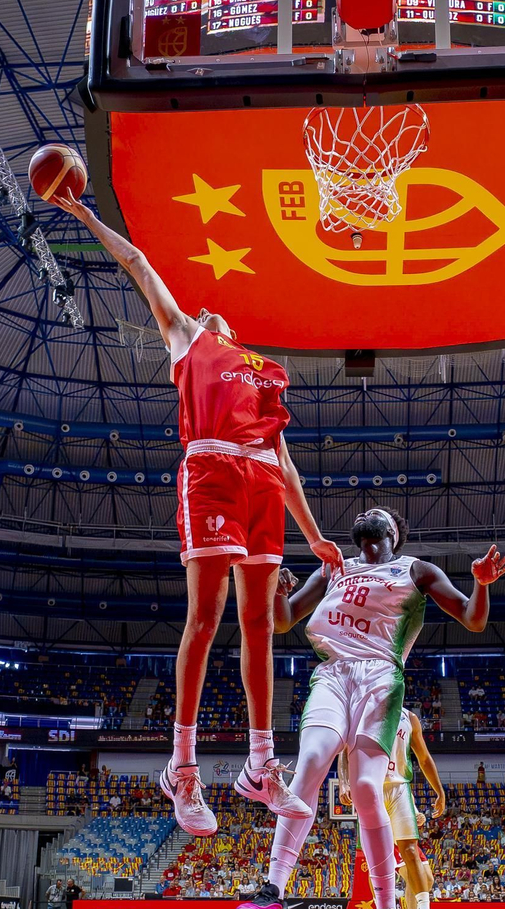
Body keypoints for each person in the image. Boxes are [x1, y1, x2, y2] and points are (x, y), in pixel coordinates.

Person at [47, 185, 343, 839]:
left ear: (233, 327)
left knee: (260, 625)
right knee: (205, 617)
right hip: (210, 471)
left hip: (263, 483)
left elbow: (285, 461)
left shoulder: (265, 369)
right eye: (201, 309)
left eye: (216, 311)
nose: (208, 310)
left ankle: (259, 767)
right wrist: (85, 215)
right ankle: (181, 766)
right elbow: (140, 266)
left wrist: (316, 536)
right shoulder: (186, 338)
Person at [232, 506, 505, 909]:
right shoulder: (333, 567)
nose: (366, 511)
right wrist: (277, 593)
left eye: (378, 512)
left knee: (364, 787)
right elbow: (283, 620)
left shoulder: (416, 570)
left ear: (394, 533)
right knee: (311, 763)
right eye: (362, 510)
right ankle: (271, 894)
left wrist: (481, 583)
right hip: (333, 673)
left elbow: (474, 620)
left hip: (382, 676)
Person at [344, 707, 446, 909]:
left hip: (399, 790)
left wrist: (437, 793)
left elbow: (422, 757)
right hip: (373, 790)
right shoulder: (363, 710)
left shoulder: (409, 718)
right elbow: (346, 749)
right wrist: (343, 782)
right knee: (382, 866)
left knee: (423, 874)